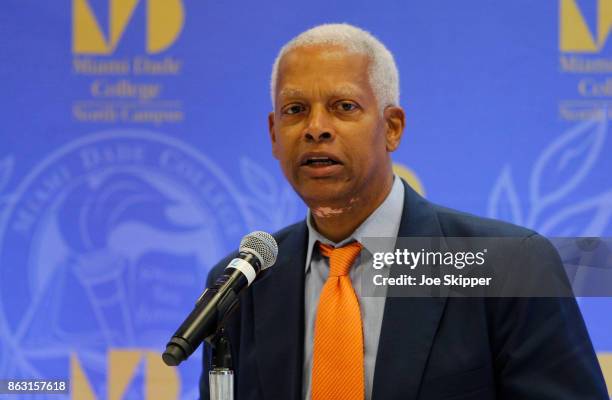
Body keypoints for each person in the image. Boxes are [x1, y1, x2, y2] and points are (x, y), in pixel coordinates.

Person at [200, 23, 608, 399]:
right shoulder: (242, 283)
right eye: (295, 110)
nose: (316, 128)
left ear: (392, 127)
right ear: (274, 135)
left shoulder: (509, 266)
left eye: (343, 106)